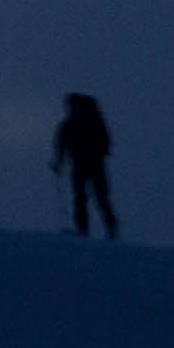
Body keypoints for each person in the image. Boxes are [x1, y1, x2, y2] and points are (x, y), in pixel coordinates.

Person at [51, 93, 119, 239]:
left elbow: (61, 145)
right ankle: (102, 229)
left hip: (87, 165)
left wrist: (59, 163)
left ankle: (90, 231)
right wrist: (59, 162)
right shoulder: (91, 121)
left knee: (90, 198)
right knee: (90, 199)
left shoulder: (74, 123)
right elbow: (61, 145)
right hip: (89, 165)